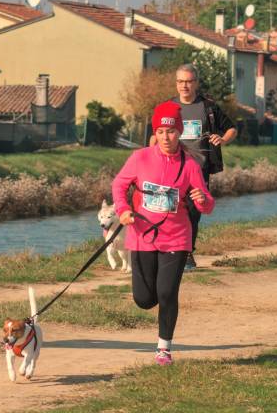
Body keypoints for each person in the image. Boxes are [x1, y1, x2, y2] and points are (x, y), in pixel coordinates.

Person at [114, 100, 214, 365]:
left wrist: (201, 199)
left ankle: (163, 348)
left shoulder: (190, 165)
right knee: (144, 299)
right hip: (142, 235)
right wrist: (123, 209)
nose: (166, 137)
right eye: (161, 131)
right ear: (154, 133)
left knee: (168, 293)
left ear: (178, 132)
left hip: (176, 237)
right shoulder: (140, 158)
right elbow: (118, 185)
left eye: (171, 131)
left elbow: (208, 204)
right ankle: (156, 295)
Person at [149, 64, 236, 271]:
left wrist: (222, 138)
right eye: (180, 81)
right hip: (171, 168)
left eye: (188, 81)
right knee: (167, 208)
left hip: (198, 169)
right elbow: (154, 135)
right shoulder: (167, 107)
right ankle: (166, 250)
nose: (184, 85)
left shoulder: (208, 107)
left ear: (195, 82)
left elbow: (232, 128)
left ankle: (187, 253)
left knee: (193, 212)